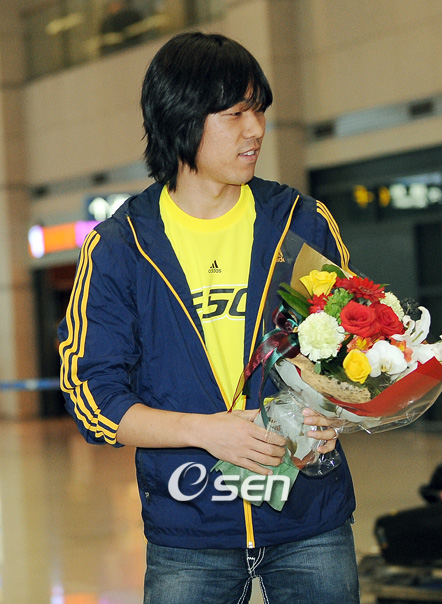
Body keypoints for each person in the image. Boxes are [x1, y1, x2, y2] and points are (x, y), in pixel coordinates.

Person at [58, 32, 360, 603]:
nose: (256, 129)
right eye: (236, 113)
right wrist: (205, 431)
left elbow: (351, 347)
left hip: (310, 520)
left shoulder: (299, 221)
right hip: (190, 530)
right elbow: (92, 396)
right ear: (181, 119)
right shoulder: (123, 247)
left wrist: (337, 412)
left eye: (259, 110)